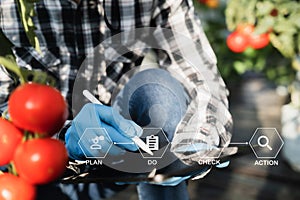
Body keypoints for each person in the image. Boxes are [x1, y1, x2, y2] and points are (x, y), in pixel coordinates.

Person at [0, 0, 233, 199]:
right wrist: (61, 139)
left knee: (158, 89)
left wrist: (199, 143)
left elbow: (203, 79)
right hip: (26, 174)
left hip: (114, 159)